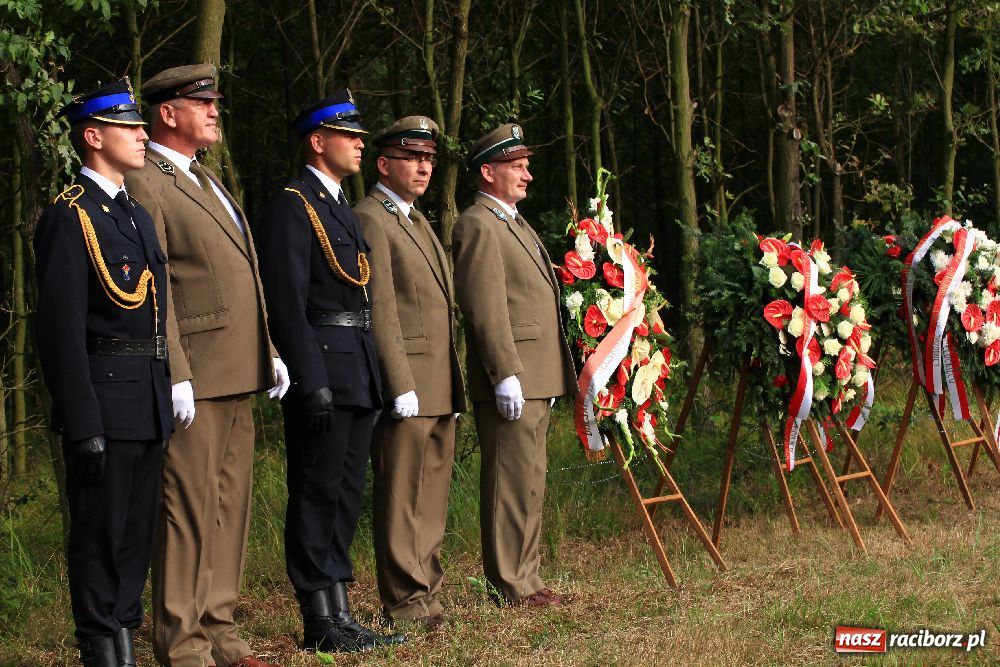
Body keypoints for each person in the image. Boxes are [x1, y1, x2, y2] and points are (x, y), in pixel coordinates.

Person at [125, 64, 289, 667]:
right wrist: (175, 371)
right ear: (168, 113)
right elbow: (157, 282)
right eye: (203, 102)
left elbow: (243, 273)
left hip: (237, 368)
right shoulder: (147, 179)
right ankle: (182, 638)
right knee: (187, 509)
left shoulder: (207, 178)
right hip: (196, 369)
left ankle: (219, 624)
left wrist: (268, 350)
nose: (216, 111)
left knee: (229, 504)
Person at [258, 91, 404, 653]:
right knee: (316, 491)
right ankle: (318, 615)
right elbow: (288, 303)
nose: (361, 143)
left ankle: (340, 608)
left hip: (357, 367)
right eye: (349, 135)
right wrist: (308, 376)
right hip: (323, 365)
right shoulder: (293, 206)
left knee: (346, 494)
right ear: (318, 142)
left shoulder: (340, 206)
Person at [34, 79, 172, 667]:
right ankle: (101, 646)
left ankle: (124, 637)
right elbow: (60, 329)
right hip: (104, 401)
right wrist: (81, 420)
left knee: (136, 533)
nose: (143, 135)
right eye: (128, 126)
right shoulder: (71, 216)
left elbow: (155, 313)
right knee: (99, 534)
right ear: (93, 136)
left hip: (145, 399)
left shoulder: (135, 214)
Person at [451, 123, 577, 607]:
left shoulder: (512, 221)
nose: (528, 175)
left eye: (526, 165)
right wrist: (504, 372)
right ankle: (509, 582)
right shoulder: (479, 223)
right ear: (489, 172)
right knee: (510, 479)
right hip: (514, 375)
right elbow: (485, 306)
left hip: (534, 372)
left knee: (529, 478)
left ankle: (526, 577)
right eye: (517, 166)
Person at [354, 116, 466, 631]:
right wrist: (399, 382)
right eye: (412, 158)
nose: (423, 167)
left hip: (439, 377)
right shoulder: (372, 217)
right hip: (410, 381)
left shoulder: (416, 219)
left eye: (429, 159)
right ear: (383, 164)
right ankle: (404, 598)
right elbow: (382, 309)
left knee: (431, 491)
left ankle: (428, 590)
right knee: (402, 492)